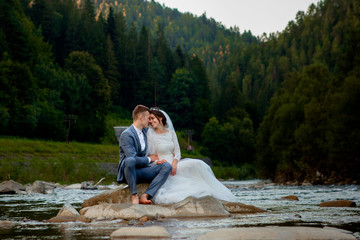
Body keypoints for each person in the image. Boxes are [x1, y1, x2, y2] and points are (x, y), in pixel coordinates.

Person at [147, 107, 237, 204]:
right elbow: (149, 155)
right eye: (149, 119)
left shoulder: (171, 133)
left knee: (198, 163)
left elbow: (177, 151)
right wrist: (158, 162)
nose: (151, 121)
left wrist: (174, 162)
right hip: (162, 165)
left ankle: (212, 190)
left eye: (152, 118)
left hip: (174, 163)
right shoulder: (150, 135)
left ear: (160, 118)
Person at [116, 105, 172, 204]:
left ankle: (146, 195)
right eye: (148, 118)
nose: (149, 121)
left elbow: (160, 133)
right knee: (130, 160)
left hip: (143, 170)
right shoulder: (127, 134)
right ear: (141, 117)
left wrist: (157, 161)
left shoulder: (146, 132)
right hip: (130, 172)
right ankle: (134, 195)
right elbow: (132, 158)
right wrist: (150, 159)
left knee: (167, 166)